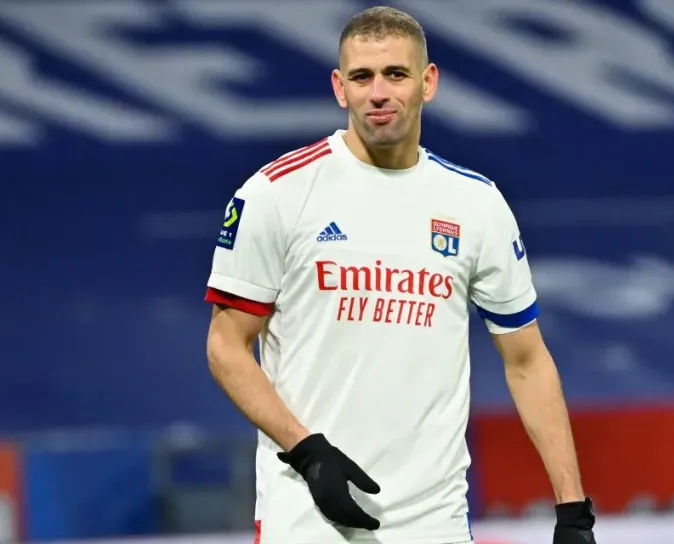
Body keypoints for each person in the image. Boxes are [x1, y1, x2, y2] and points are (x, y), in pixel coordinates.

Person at [204, 6, 597, 544]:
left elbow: (526, 361)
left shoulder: (475, 204)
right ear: (339, 88)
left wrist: (573, 510)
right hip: (308, 519)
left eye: (395, 74)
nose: (378, 93)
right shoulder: (277, 194)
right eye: (362, 77)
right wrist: (308, 452)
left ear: (427, 82)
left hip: (435, 521)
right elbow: (226, 346)